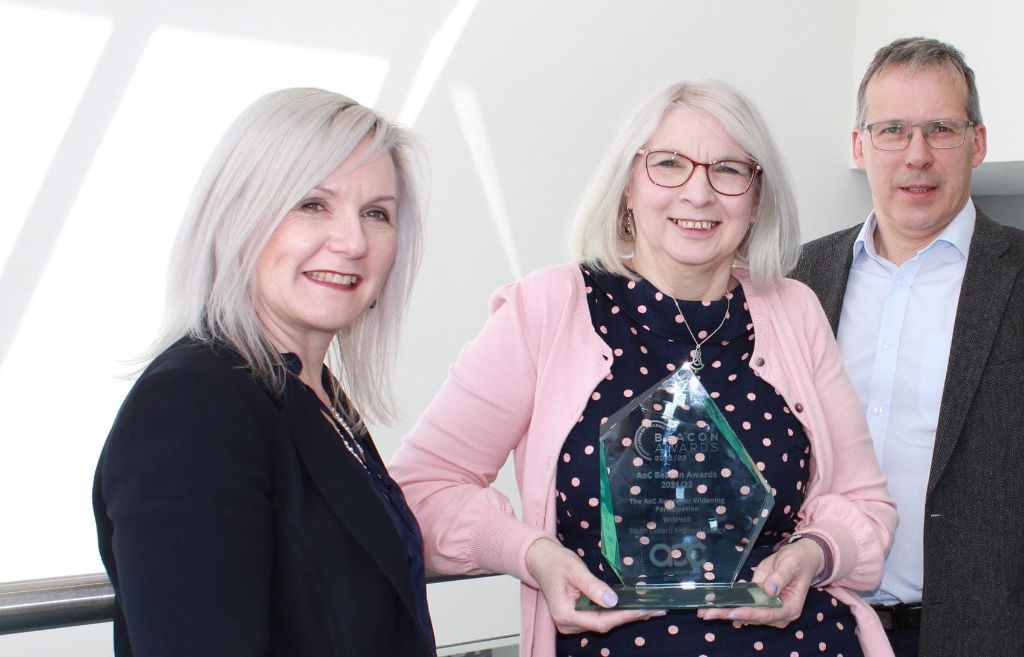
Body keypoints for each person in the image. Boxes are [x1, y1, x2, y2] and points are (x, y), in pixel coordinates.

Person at [390, 79, 897, 657]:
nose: (699, 193)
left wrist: (816, 554)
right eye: (669, 164)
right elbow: (419, 491)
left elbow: (866, 505)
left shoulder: (794, 310)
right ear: (628, 184)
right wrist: (531, 554)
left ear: (756, 198)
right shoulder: (546, 309)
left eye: (728, 170)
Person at [791, 37, 1024, 657]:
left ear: (978, 142)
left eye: (940, 129)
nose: (917, 156)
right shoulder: (798, 279)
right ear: (860, 145)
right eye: (893, 129)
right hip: (817, 629)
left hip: (983, 640)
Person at [93, 88, 435, 657]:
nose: (352, 241)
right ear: (237, 218)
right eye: (311, 204)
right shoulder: (194, 406)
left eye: (376, 213)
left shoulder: (314, 395)